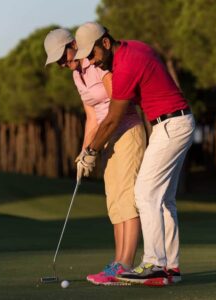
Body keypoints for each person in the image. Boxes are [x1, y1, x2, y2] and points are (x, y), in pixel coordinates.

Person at [74, 22, 195, 286]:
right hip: (175, 122)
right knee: (163, 200)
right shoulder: (134, 49)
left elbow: (112, 119)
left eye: (92, 55)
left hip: (171, 125)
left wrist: (91, 151)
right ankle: (170, 267)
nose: (92, 63)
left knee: (144, 193)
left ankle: (154, 263)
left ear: (105, 43)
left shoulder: (127, 64)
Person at [43, 28, 146, 285]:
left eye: (63, 56)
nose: (62, 63)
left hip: (126, 132)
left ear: (74, 44)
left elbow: (116, 107)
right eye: (57, 61)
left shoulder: (98, 63)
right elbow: (91, 119)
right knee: (114, 201)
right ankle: (117, 262)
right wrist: (84, 153)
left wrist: (94, 149)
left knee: (127, 199)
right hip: (104, 140)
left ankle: (125, 264)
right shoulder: (77, 76)